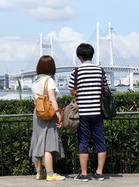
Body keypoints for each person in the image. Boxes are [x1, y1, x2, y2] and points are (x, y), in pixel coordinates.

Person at [68, 43, 107, 182]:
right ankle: (99, 173)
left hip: (82, 113)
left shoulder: (76, 72)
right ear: (92, 55)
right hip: (97, 112)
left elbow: (72, 90)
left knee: (83, 142)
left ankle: (84, 174)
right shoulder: (100, 70)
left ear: (79, 56)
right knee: (100, 141)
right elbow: (105, 89)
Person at [29, 55, 66, 181]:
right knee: (48, 144)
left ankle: (39, 172)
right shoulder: (49, 80)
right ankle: (50, 174)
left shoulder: (35, 81)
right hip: (48, 114)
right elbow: (53, 100)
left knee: (38, 140)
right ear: (51, 67)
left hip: (37, 114)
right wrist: (59, 116)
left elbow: (35, 100)